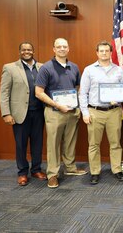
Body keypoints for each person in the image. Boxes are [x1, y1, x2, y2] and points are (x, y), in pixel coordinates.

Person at [35, 38, 87, 189]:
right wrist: (58, 105)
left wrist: (74, 104)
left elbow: (77, 87)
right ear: (54, 49)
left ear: (68, 49)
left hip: (71, 112)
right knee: (53, 144)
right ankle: (52, 174)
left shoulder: (74, 67)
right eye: (59, 46)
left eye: (65, 46)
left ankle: (70, 168)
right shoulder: (46, 68)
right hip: (54, 112)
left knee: (70, 141)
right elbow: (39, 93)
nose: (62, 49)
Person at [78, 41, 123, 185]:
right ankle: (94, 172)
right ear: (97, 53)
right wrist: (85, 113)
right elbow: (82, 93)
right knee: (93, 144)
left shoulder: (118, 70)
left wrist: (118, 98)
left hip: (113, 112)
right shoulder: (89, 70)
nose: (104, 53)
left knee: (115, 143)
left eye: (107, 51)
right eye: (101, 51)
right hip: (95, 112)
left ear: (111, 53)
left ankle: (117, 169)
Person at [0, 42, 46, 186]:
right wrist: (6, 113)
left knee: (38, 143)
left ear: (33, 51)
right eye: (24, 50)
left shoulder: (42, 67)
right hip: (20, 114)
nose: (27, 52)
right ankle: (22, 172)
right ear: (19, 52)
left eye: (29, 49)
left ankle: (36, 169)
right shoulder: (10, 68)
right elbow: (4, 92)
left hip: (39, 112)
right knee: (21, 144)